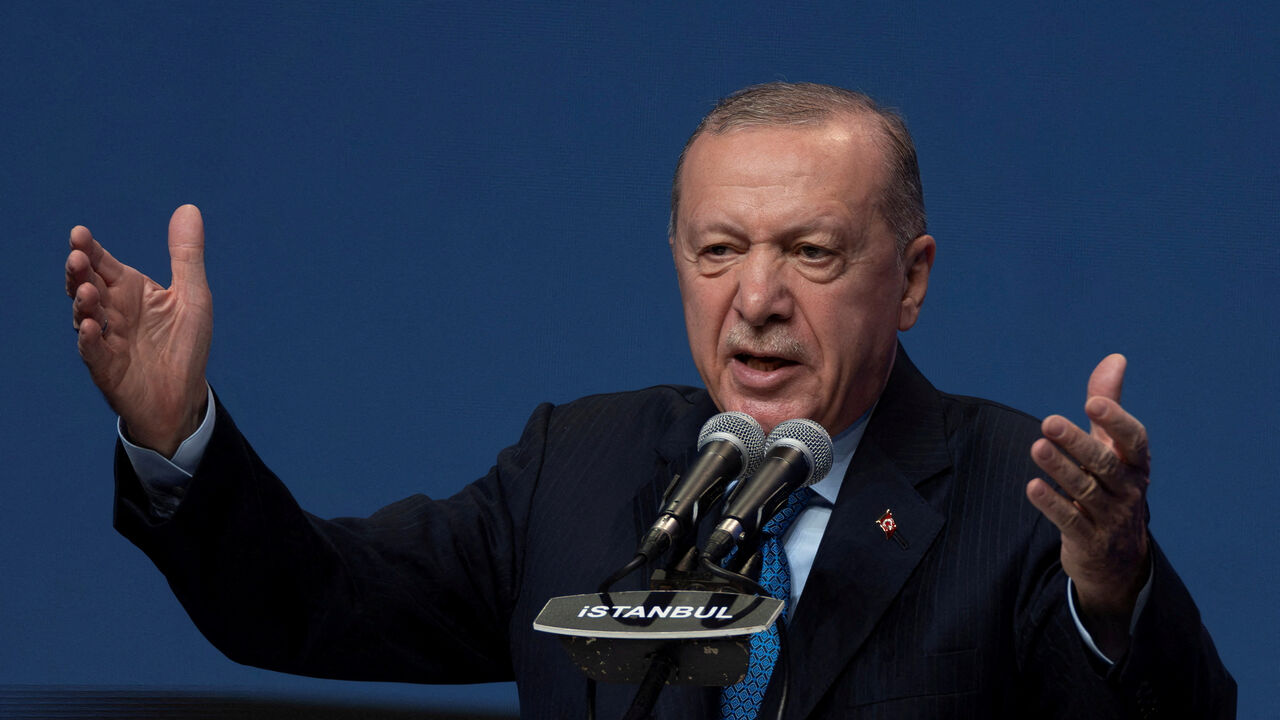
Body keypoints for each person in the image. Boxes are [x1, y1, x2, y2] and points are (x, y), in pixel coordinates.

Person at [66, 83, 1234, 718]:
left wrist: (1112, 590)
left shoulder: (1023, 502)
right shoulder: (578, 467)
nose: (755, 300)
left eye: (811, 253)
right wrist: (175, 434)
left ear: (910, 280)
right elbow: (307, 606)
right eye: (717, 250)